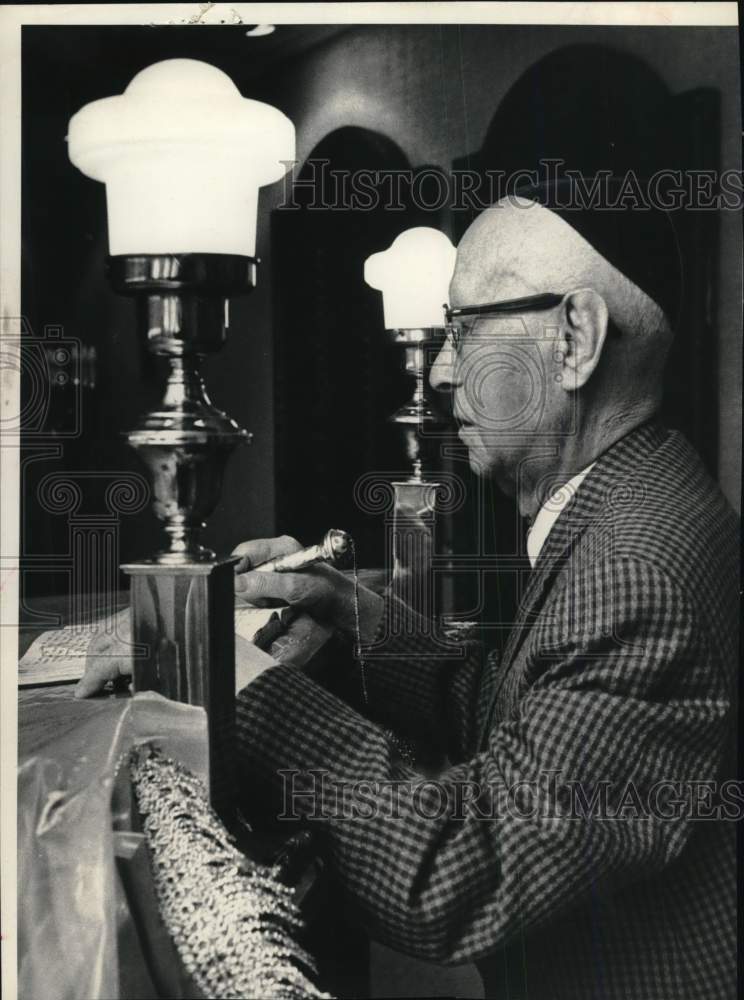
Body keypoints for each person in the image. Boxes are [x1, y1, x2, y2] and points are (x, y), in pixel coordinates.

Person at [77, 196, 738, 999]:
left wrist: (236, 680)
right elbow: (510, 721)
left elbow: (461, 869)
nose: (443, 369)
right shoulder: (636, 497)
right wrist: (357, 615)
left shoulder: (636, 571)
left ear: (576, 340)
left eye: (465, 328)